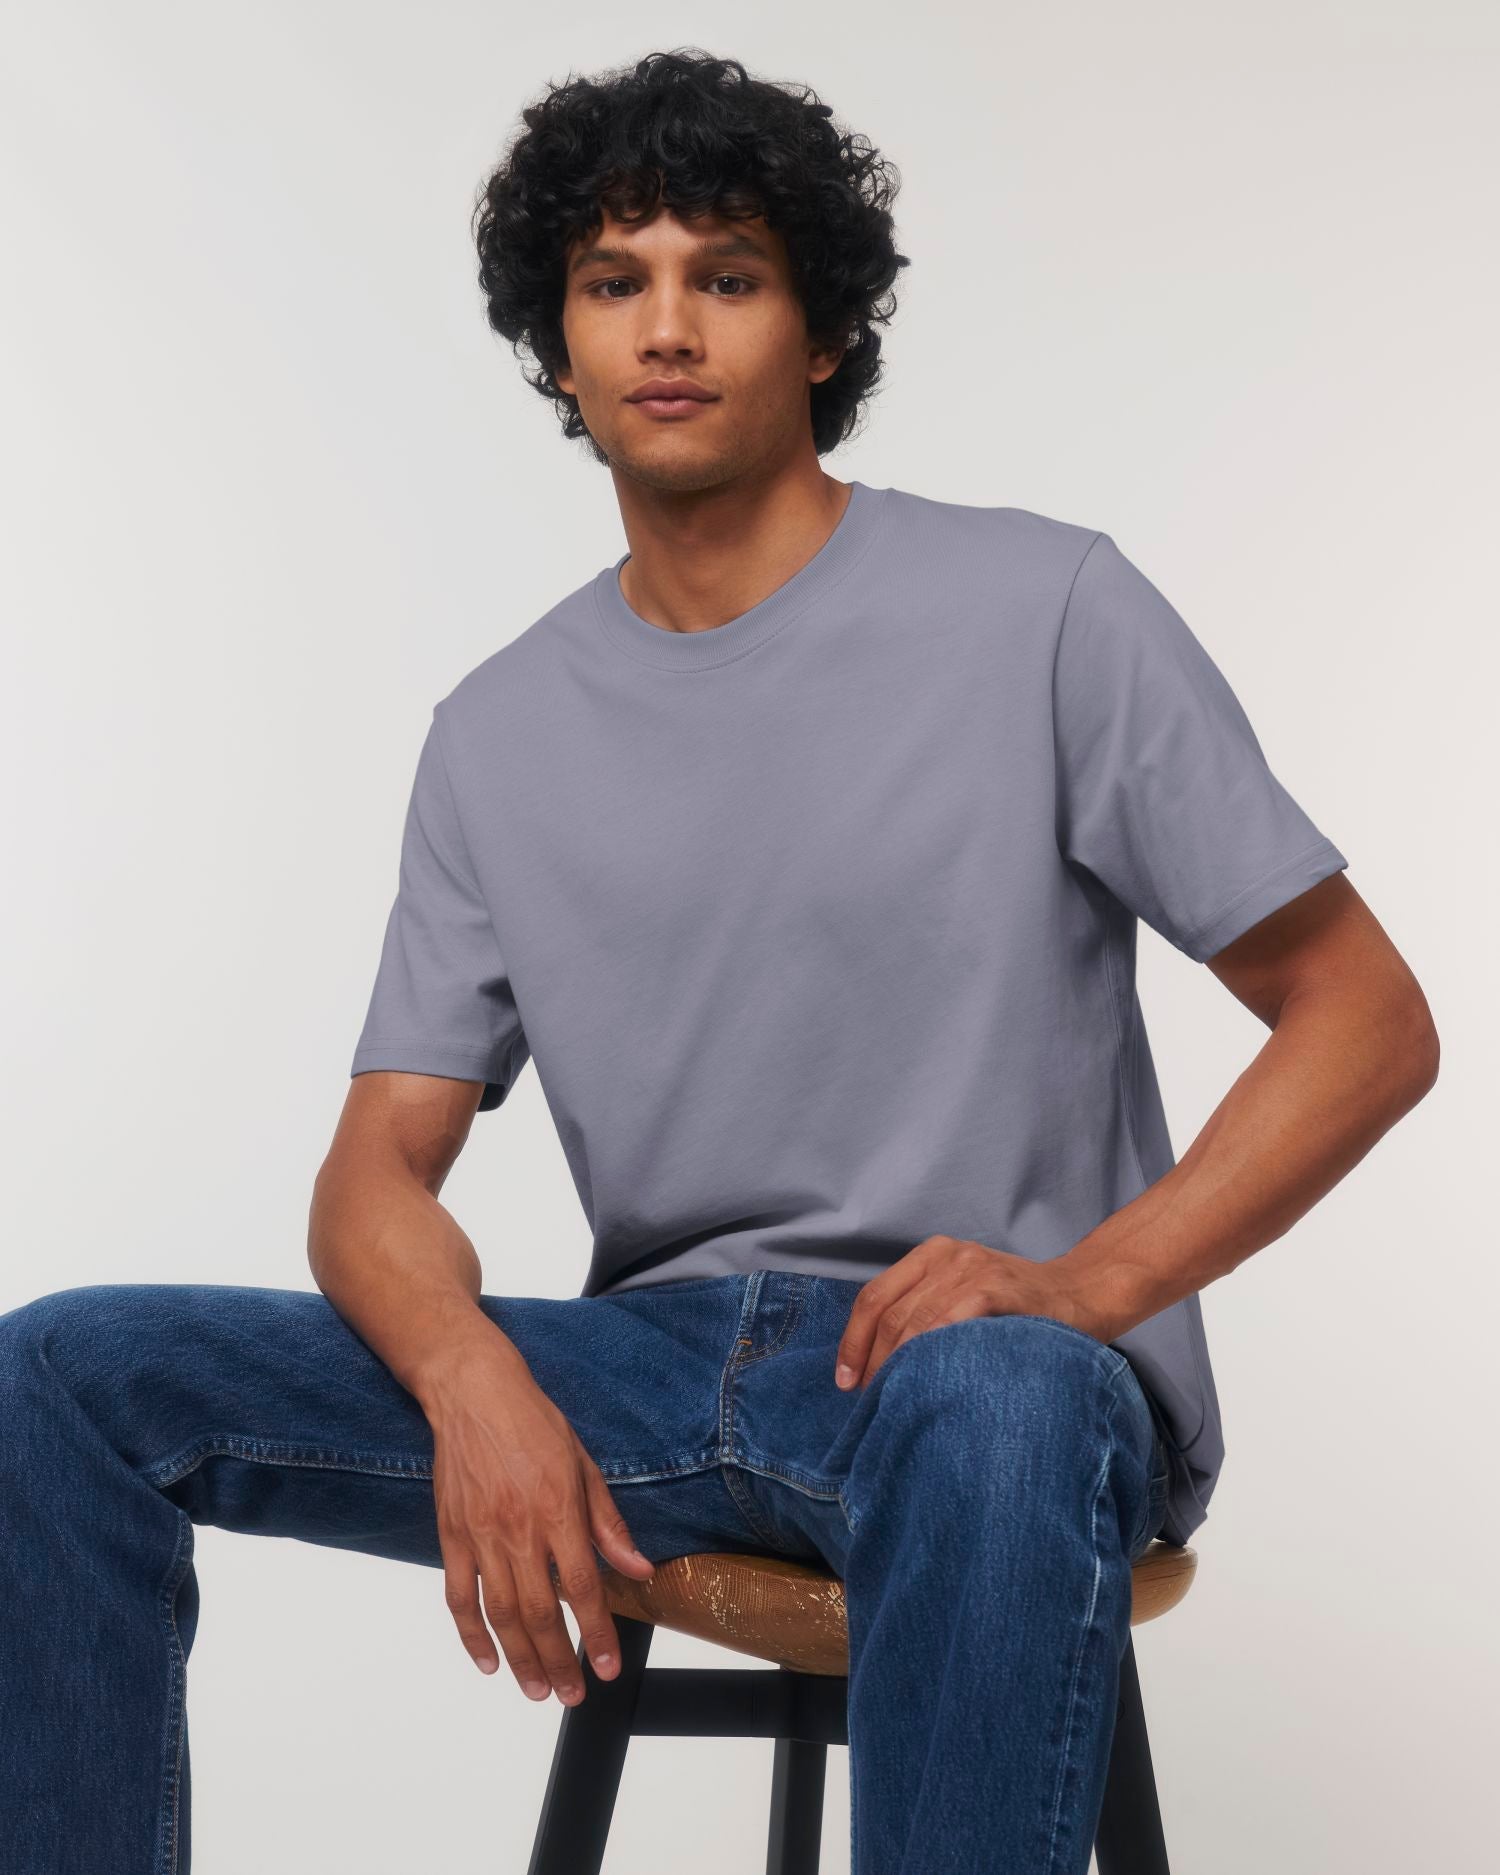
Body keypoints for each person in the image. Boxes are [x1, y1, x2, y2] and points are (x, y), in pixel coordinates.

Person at [0, 48, 1438, 1875]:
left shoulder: (1045, 609)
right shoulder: (496, 734)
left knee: (994, 1402)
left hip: (978, 1374)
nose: (668, 329)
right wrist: (474, 1383)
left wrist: (1090, 1288)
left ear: (821, 332)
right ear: (562, 347)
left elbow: (1365, 1016)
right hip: (651, 1376)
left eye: (728, 277)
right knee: (57, 1382)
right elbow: (374, 1176)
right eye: (617, 283)